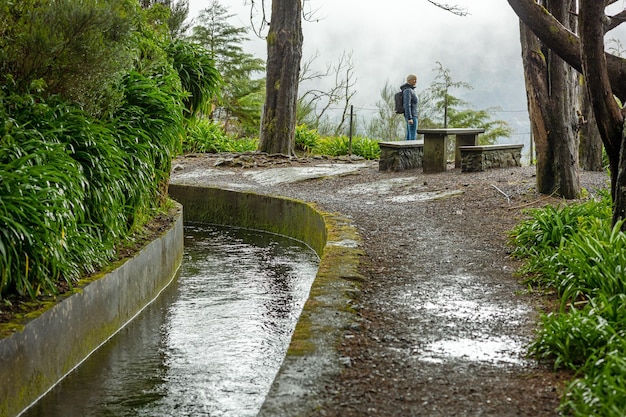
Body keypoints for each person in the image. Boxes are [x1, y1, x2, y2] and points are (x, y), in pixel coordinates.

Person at [401, 74, 418, 140]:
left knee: (409, 134)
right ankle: (412, 150)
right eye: (414, 79)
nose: (415, 81)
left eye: (416, 80)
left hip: (413, 115)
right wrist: (409, 118)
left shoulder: (411, 90)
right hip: (412, 116)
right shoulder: (408, 90)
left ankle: (407, 150)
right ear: (409, 80)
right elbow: (407, 105)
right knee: (412, 135)